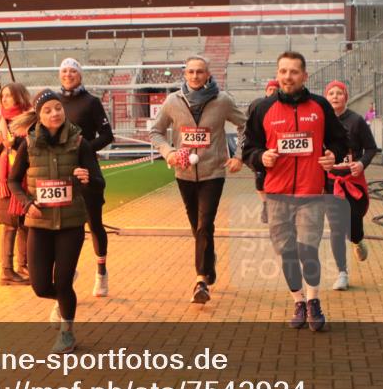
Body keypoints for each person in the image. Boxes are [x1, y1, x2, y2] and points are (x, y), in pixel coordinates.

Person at [243, 51, 347, 332]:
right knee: (286, 252)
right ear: (278, 75)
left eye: (294, 72)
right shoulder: (262, 108)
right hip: (276, 194)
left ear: (304, 76)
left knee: (307, 249)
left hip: (311, 193)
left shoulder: (320, 106)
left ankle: (313, 300)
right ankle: (298, 301)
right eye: (283, 71)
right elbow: (247, 149)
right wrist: (260, 157)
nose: (288, 76)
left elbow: (340, 140)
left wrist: (331, 155)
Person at [149, 56, 247, 304]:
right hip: (183, 174)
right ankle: (209, 262)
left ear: (207, 74)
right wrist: (168, 153)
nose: (195, 76)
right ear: (184, 74)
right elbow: (156, 131)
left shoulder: (222, 100)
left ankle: (200, 280)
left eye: (200, 72)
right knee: (197, 226)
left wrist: (239, 156)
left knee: (204, 223)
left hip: (213, 172)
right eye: (191, 72)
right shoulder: (173, 101)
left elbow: (245, 125)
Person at [9, 89, 96, 354]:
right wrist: (27, 203)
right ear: (39, 116)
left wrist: (86, 178)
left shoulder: (80, 143)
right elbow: (13, 180)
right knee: (40, 286)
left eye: (58, 108)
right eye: (47, 110)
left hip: (71, 224)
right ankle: (61, 296)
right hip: (40, 224)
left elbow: (99, 180)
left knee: (64, 282)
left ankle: (67, 334)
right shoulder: (29, 144)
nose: (54, 113)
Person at [57, 58, 114, 297]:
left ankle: (101, 272)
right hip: (61, 172)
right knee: (68, 225)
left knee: (94, 223)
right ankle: (69, 271)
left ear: (80, 75)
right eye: (64, 71)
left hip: (87, 171)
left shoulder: (91, 102)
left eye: (73, 71)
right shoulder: (54, 102)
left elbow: (107, 135)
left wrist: (85, 149)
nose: (68, 74)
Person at [323, 81, 378, 291]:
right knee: (336, 228)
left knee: (353, 226)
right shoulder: (322, 122)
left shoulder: (356, 121)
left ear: (346, 97)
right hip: (330, 183)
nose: (335, 96)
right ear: (326, 97)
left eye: (339, 93)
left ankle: (358, 240)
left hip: (353, 182)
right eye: (331, 93)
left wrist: (361, 163)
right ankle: (342, 273)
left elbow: (371, 148)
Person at [0, 83, 33, 286]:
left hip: (26, 178)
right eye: (2, 96)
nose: (4, 99)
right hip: (5, 180)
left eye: (9, 96)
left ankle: (25, 264)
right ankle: (6, 271)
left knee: (25, 224)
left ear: (19, 97)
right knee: (9, 225)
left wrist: (16, 144)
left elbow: (35, 146)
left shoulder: (30, 119)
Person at [247, 79, 279, 224]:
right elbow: (249, 125)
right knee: (260, 180)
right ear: (266, 91)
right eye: (270, 89)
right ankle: (266, 204)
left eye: (275, 88)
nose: (273, 91)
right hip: (261, 148)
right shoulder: (257, 104)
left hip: (278, 149)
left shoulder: (284, 105)